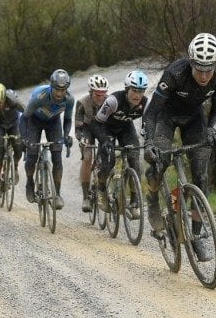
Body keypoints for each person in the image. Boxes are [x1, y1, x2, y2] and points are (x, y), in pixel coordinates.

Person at [143, 33, 216, 262]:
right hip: (166, 117)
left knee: (201, 178)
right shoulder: (175, 74)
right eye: (198, 68)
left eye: (208, 69)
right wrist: (149, 143)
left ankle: (197, 236)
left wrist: (212, 130)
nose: (203, 75)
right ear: (191, 63)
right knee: (160, 161)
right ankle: (152, 198)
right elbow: (151, 113)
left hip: (194, 119)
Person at [91, 70, 149, 213]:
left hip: (125, 128)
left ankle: (135, 200)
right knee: (107, 164)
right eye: (134, 91)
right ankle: (101, 189)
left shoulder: (145, 102)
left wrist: (149, 139)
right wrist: (104, 141)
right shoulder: (113, 101)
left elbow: (147, 124)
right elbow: (96, 124)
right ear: (127, 89)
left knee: (135, 161)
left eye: (141, 91)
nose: (137, 95)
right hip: (106, 128)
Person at [20, 68, 74, 208]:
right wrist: (24, 138)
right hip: (34, 120)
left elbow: (67, 119)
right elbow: (24, 118)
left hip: (53, 122)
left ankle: (57, 194)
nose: (60, 93)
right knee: (31, 154)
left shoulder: (69, 99)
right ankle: (30, 182)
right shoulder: (40, 97)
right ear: (51, 86)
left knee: (57, 157)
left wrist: (66, 135)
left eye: (63, 90)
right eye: (57, 89)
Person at [74, 74, 109, 212]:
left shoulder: (110, 101)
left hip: (102, 129)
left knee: (106, 157)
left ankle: (101, 189)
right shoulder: (82, 102)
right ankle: (85, 197)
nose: (100, 98)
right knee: (87, 158)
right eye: (97, 94)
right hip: (87, 130)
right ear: (90, 92)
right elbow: (77, 126)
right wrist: (81, 139)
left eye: (102, 94)